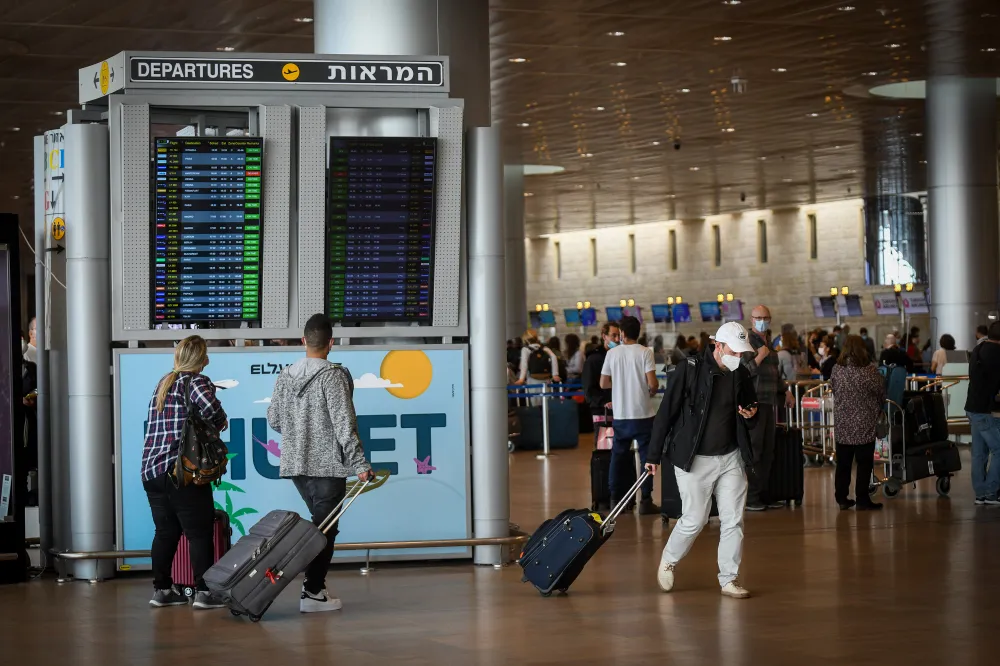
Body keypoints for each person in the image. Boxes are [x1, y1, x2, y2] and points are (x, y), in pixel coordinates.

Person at [267, 314, 376, 613]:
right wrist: (359, 463)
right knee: (325, 529)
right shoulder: (334, 376)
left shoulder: (285, 374)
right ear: (331, 343)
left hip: (296, 465)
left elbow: (274, 419)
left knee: (321, 525)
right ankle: (313, 592)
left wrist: (300, 433)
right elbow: (344, 424)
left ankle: (314, 587)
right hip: (328, 466)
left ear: (303, 341)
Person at [646, 322, 759, 599]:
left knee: (733, 520)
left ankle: (729, 579)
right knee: (694, 519)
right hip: (694, 459)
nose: (738, 357)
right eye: (734, 351)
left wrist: (750, 413)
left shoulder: (740, 373)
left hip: (730, 456)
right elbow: (666, 413)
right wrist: (652, 455)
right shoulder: (690, 369)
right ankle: (669, 560)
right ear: (718, 346)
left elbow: (750, 405)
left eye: (742, 353)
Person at [141, 335, 229, 610]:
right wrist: (220, 420)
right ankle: (204, 593)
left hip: (151, 471)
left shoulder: (163, 383)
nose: (209, 360)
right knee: (199, 532)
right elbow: (213, 411)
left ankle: (163, 590)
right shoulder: (197, 381)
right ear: (198, 358)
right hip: (182, 472)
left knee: (165, 532)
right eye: (205, 355)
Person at [600, 315, 659, 514]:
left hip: (621, 415)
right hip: (643, 413)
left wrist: (619, 385)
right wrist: (648, 388)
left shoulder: (613, 354)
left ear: (622, 334)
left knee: (617, 456)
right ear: (638, 332)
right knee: (646, 458)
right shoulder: (645, 352)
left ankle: (615, 498)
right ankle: (646, 500)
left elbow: (603, 383)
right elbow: (652, 384)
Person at [742, 305, 794, 511]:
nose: (762, 320)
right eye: (758, 317)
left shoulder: (770, 343)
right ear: (751, 320)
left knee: (767, 451)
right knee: (754, 450)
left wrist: (786, 391)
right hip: (753, 404)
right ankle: (750, 496)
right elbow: (743, 372)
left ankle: (764, 493)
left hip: (769, 402)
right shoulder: (746, 343)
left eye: (765, 317)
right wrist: (759, 356)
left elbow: (775, 373)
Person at [829, 335, 885, 511]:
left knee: (843, 464)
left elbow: (834, 389)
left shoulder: (837, 369)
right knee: (864, 463)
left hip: (843, 423)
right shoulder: (869, 370)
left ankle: (842, 498)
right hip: (865, 423)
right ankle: (862, 498)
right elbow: (880, 392)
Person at [965, 321, 1000, 505]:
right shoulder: (997, 354)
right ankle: (991, 492)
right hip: (985, 410)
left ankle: (980, 493)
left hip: (972, 406)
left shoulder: (978, 349)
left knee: (979, 452)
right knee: (999, 449)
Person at [584, 322, 619, 442]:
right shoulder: (594, 359)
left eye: (619, 335)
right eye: (613, 335)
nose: (617, 339)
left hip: (620, 410)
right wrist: (603, 402)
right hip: (602, 411)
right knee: (604, 447)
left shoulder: (620, 356)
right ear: (604, 336)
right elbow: (589, 388)